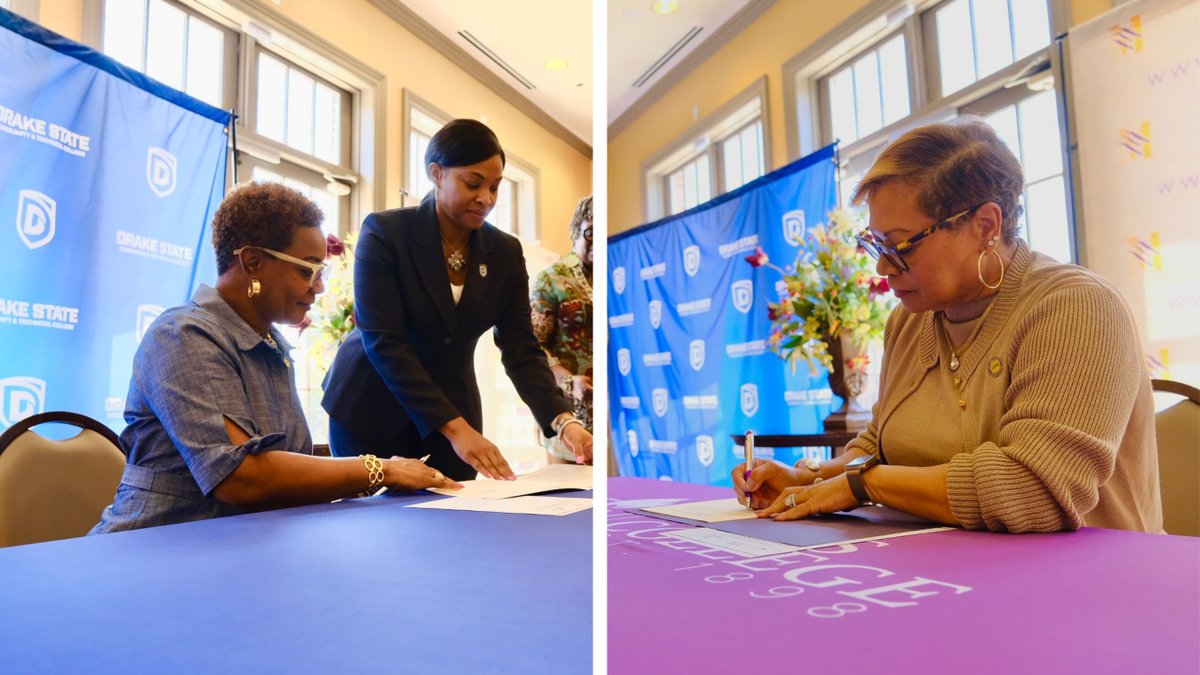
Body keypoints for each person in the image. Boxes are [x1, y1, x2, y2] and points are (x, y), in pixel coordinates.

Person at [732, 120, 1162, 534]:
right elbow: (878, 446)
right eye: (875, 245)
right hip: (955, 569)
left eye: (900, 245)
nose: (883, 266)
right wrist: (807, 478)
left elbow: (1037, 489)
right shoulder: (909, 320)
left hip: (1089, 585)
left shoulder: (1075, 307)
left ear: (985, 226)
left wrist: (864, 485)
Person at [92, 182, 458, 534]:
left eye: (320, 271)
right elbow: (241, 478)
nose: (319, 287)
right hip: (153, 550)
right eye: (307, 270)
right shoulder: (182, 336)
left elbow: (280, 466)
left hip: (236, 551)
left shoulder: (270, 347)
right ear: (252, 262)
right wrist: (380, 470)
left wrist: (373, 478)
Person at [321, 119, 593, 481]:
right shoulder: (385, 234)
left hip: (455, 408)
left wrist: (563, 422)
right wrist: (456, 430)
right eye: (473, 183)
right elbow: (385, 342)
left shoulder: (505, 253)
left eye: (495, 188)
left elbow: (522, 350)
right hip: (372, 406)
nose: (487, 198)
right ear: (436, 174)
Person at [531, 196, 594, 463]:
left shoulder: (617, 276)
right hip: (568, 411)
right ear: (576, 229)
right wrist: (569, 380)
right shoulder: (552, 277)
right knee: (572, 496)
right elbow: (532, 347)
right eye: (591, 231)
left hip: (617, 414)